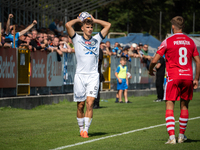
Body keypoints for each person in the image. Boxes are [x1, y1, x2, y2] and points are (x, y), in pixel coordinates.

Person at [149, 16, 200, 144]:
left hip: (173, 77)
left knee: (169, 105)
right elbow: (198, 61)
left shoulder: (168, 41)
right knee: (184, 106)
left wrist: (150, 70)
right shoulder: (191, 41)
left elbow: (155, 60)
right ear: (183, 27)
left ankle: (172, 137)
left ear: (173, 27)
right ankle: (181, 136)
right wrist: (196, 78)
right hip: (187, 77)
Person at [65, 12, 111, 138]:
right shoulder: (76, 39)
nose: (90, 29)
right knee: (80, 105)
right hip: (80, 75)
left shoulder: (97, 39)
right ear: (82, 28)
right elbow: (68, 25)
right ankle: (81, 129)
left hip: (93, 76)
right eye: (87, 27)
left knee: (90, 103)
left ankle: (86, 130)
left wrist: (94, 20)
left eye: (91, 27)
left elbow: (108, 25)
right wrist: (79, 19)